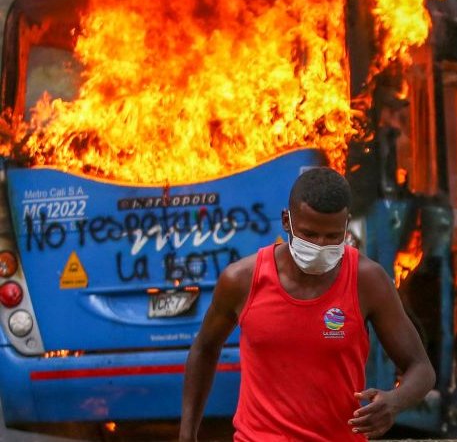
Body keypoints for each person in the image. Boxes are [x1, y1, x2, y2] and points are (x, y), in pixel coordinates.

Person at [179, 167, 435, 441]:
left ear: (346, 225)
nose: (320, 246)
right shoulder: (242, 280)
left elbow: (421, 368)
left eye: (332, 236)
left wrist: (393, 401)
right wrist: (187, 435)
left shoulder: (367, 280)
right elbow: (205, 349)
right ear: (286, 221)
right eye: (309, 235)